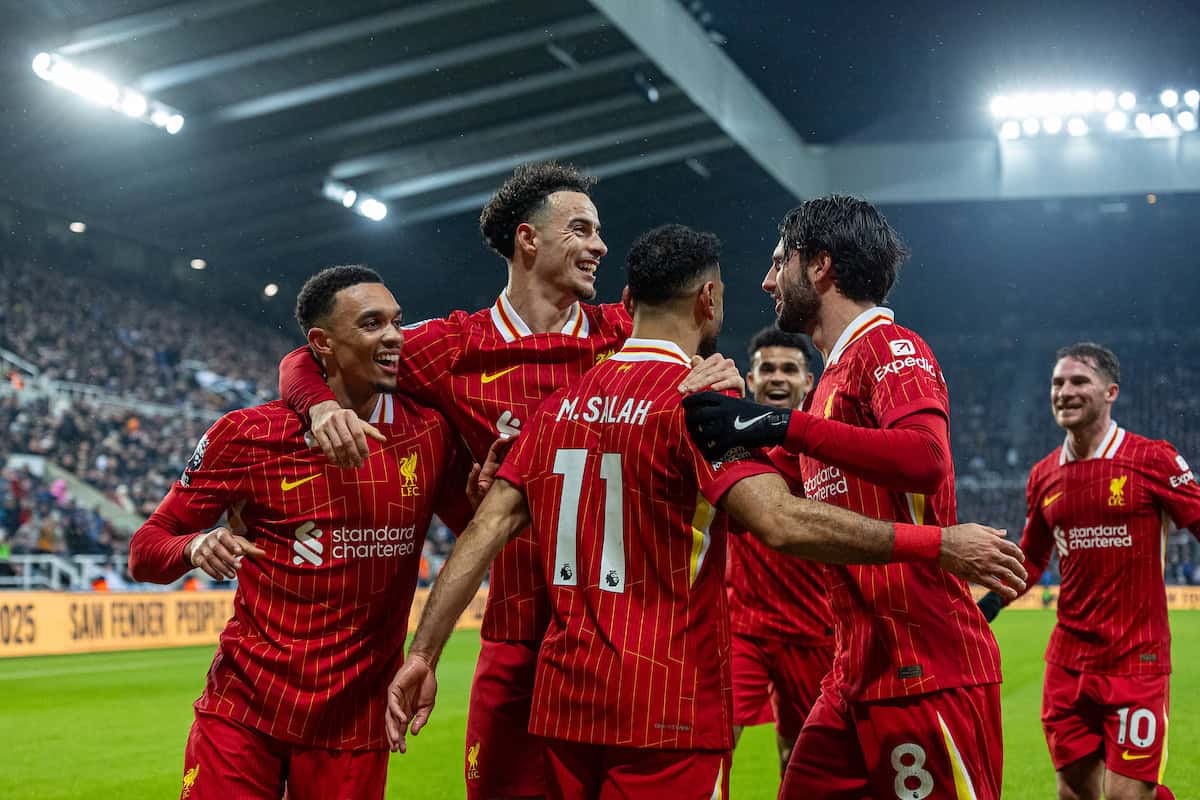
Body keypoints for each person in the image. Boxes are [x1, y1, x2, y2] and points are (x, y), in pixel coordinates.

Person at [384, 224, 1026, 799]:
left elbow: (485, 527)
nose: (768, 280)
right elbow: (779, 520)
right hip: (672, 701)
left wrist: (423, 654)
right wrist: (935, 543)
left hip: (569, 700)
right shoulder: (704, 410)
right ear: (708, 304)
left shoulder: (555, 409)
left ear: (627, 305)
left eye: (780, 264)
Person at [277, 163, 740, 799]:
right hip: (522, 629)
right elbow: (309, 355)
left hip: (628, 640)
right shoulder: (454, 346)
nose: (600, 246)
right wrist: (320, 406)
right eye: (580, 229)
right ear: (529, 241)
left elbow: (699, 357)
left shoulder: (624, 333)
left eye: (600, 232)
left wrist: (718, 374)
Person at [683, 197, 1010, 799]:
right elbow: (762, 489)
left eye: (780, 262)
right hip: (855, 674)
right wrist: (704, 413)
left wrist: (778, 425)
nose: (766, 280)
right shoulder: (828, 382)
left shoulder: (890, 349)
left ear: (821, 267)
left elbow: (926, 459)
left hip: (926, 669)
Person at [128, 266, 473, 800]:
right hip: (245, 705)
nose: (394, 336)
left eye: (397, 322)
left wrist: (495, 484)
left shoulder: (427, 433)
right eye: (371, 323)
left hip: (354, 720)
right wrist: (193, 545)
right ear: (323, 343)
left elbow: (476, 530)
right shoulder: (246, 435)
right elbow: (146, 550)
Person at [977, 343, 1200, 800]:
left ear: (1111, 391)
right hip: (1068, 663)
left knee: (1124, 796)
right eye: (1058, 383)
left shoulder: (1151, 458)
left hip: (1136, 659)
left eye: (1079, 381)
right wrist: (989, 606)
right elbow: (1033, 559)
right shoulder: (1043, 476)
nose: (1065, 391)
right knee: (1074, 790)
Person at [726, 325, 833, 778]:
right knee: (713, 740)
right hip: (740, 627)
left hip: (813, 630)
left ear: (808, 381)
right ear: (750, 379)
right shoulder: (727, 439)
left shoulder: (826, 446)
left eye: (789, 369)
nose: (777, 377)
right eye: (766, 368)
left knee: (800, 756)